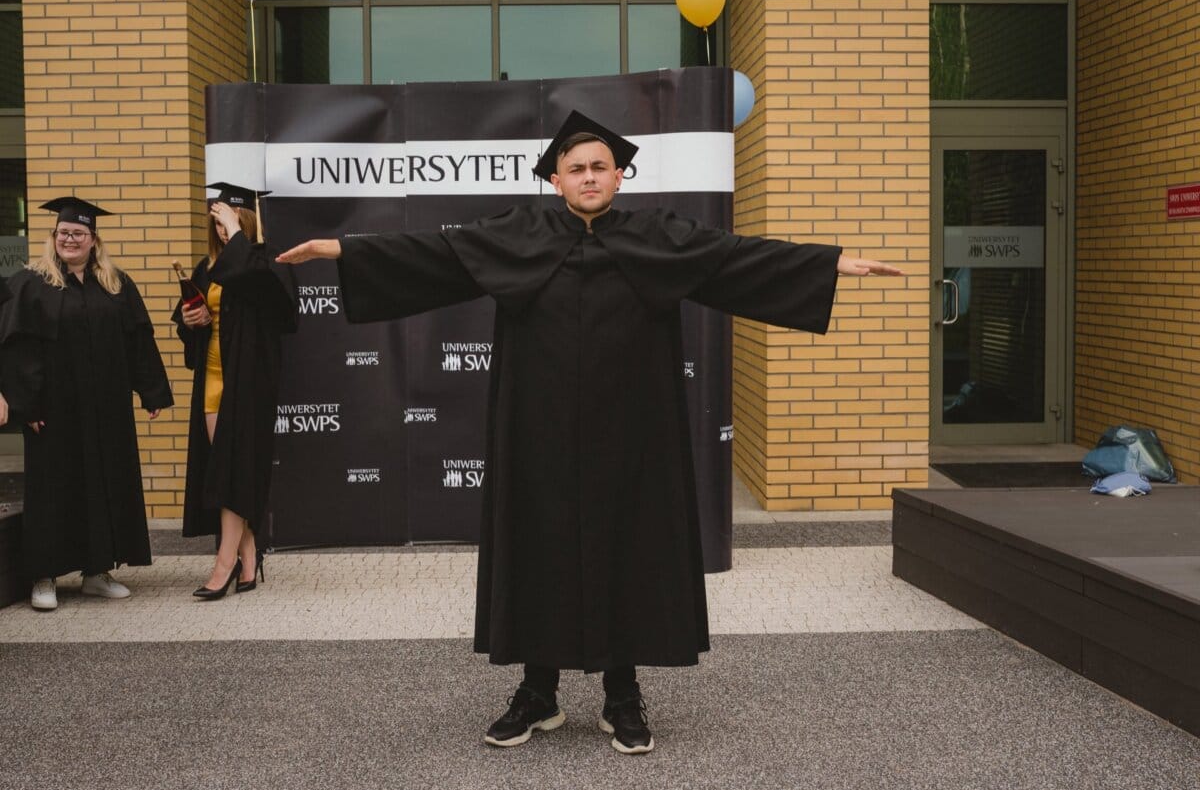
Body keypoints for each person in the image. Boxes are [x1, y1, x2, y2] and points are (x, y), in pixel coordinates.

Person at [277, 111, 902, 754]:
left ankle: (622, 696)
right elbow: (435, 254)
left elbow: (737, 258)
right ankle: (537, 694)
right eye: (575, 168)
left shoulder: (659, 236)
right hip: (536, 433)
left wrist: (830, 264)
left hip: (632, 434)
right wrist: (341, 249)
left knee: (626, 546)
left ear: (620, 177)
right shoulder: (515, 233)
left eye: (600, 166)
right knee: (539, 546)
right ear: (554, 180)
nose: (589, 176)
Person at [0, 197, 173, 611]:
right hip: (52, 413)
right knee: (53, 490)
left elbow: (138, 339)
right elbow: (13, 347)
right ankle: (44, 577)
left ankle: (97, 571)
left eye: (79, 234)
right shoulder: (30, 283)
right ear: (53, 237)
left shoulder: (115, 284)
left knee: (104, 484)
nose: (70, 240)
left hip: (106, 409)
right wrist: (27, 405)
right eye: (63, 233)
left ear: (94, 239)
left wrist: (150, 391)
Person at [173, 183, 296, 600]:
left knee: (237, 468)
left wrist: (238, 238)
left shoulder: (269, 263)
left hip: (250, 383)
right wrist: (192, 322)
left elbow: (281, 312)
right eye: (219, 225)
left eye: (231, 222)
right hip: (212, 378)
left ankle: (224, 564)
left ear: (248, 220)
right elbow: (187, 322)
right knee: (227, 471)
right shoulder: (206, 268)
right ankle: (249, 554)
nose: (223, 232)